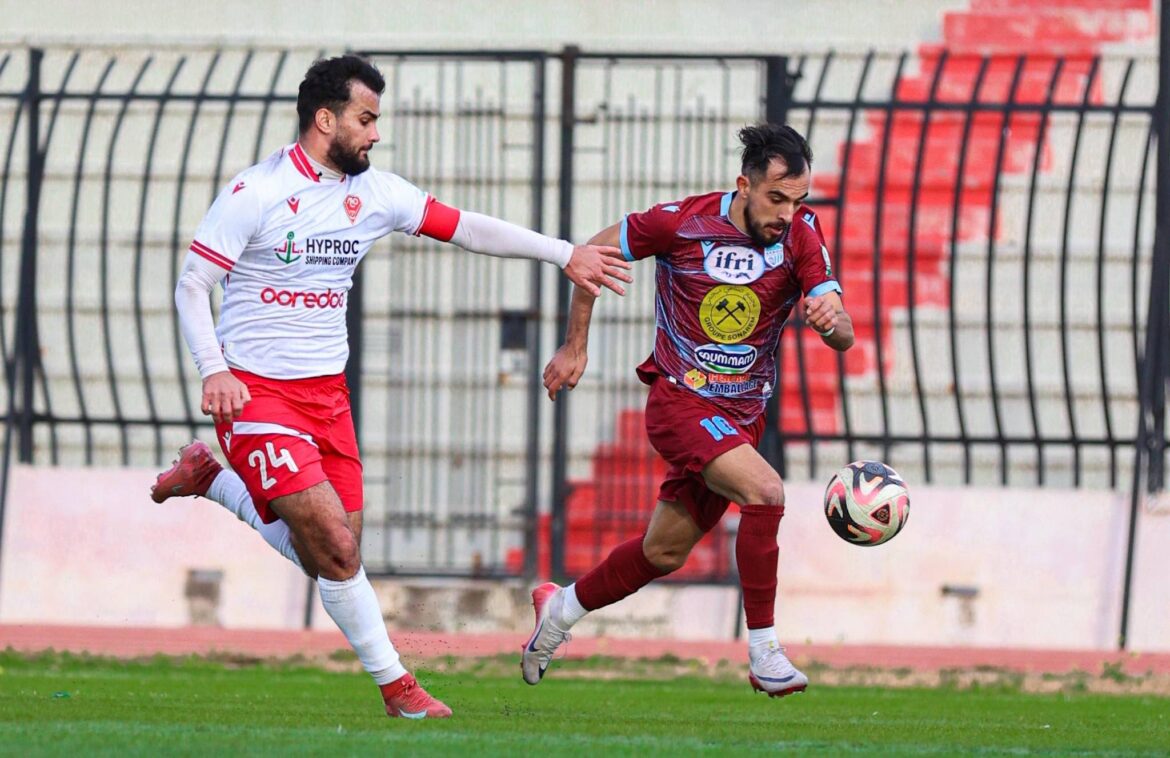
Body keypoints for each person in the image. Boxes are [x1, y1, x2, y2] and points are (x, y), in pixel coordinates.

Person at [151, 54, 631, 721]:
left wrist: (564, 253)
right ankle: (399, 688)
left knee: (331, 557)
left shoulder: (375, 194)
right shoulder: (255, 192)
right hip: (257, 395)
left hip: (326, 397)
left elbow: (466, 227)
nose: (375, 134)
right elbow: (192, 285)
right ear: (326, 119)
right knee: (340, 553)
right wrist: (214, 368)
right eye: (366, 119)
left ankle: (212, 479)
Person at [521, 123, 853, 698]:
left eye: (797, 200)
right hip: (680, 400)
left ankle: (559, 611)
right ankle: (764, 651)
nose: (786, 212)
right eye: (775, 198)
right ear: (743, 185)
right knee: (767, 492)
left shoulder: (801, 234)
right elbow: (589, 256)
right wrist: (576, 344)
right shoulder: (680, 222)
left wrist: (834, 323)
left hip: (740, 418)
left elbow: (843, 330)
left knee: (663, 552)